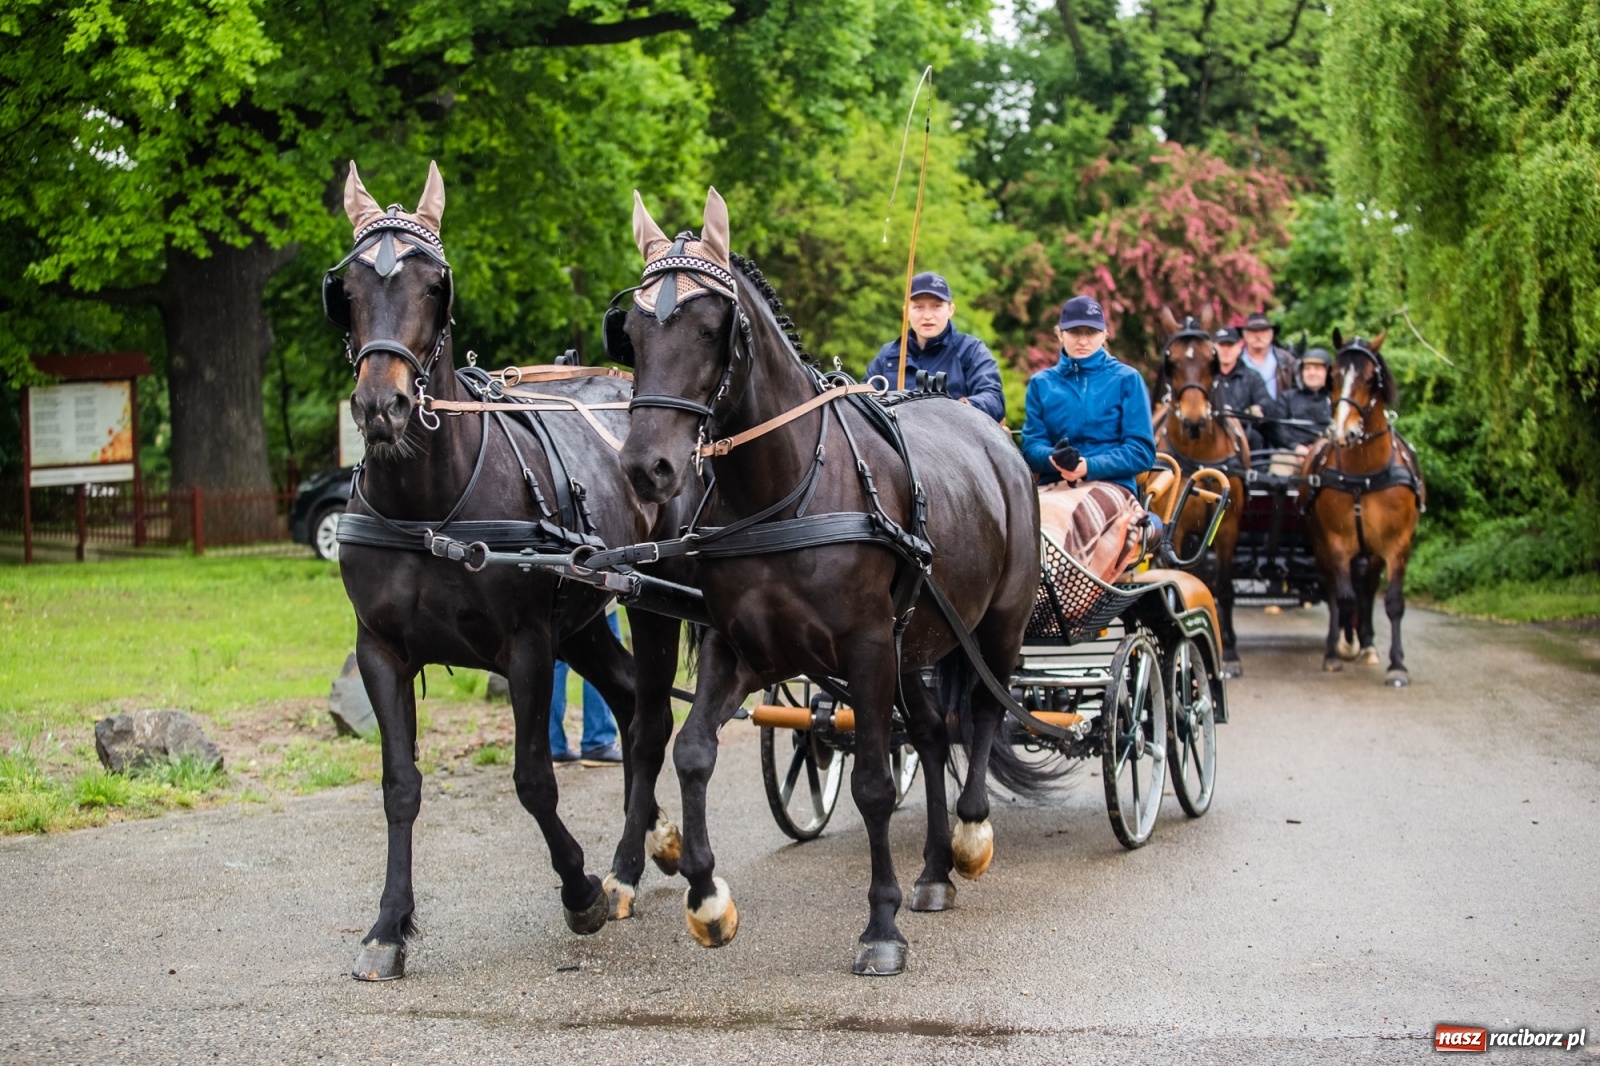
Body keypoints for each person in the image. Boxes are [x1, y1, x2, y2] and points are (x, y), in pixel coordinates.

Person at [1020, 295, 1157, 581]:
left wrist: (1087, 466)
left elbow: (1142, 451)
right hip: (1053, 486)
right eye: (1074, 332)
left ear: (1105, 334)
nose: (1083, 340)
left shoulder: (1127, 380)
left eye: (1091, 332)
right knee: (1020, 519)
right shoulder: (1041, 384)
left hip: (1112, 487)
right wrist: (1053, 459)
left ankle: (1056, 597)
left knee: (1063, 517)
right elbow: (1031, 447)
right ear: (1060, 334)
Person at [864, 271, 1005, 420]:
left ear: (951, 310)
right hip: (896, 441)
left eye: (936, 306)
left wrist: (958, 409)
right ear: (906, 312)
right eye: (918, 307)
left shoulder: (972, 350)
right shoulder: (888, 355)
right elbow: (863, 402)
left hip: (954, 438)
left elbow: (994, 399)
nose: (927, 315)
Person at [550, 609, 623, 766]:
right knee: (601, 655)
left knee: (554, 652)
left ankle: (550, 744)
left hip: (554, 596)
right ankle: (598, 740)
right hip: (592, 596)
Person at [1212, 325, 1272, 452]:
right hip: (1211, 432)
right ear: (1213, 348)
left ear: (1239, 348)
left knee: (1256, 439)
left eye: (1230, 345)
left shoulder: (1252, 377)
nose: (1226, 350)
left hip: (1244, 432)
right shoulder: (1205, 377)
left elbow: (1267, 403)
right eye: (1221, 345)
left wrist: (1259, 408)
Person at [1265, 346, 1333, 452]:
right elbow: (1278, 428)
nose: (1312, 373)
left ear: (1328, 372)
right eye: (1307, 368)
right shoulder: (1287, 397)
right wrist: (1295, 446)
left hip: (1328, 453)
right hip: (1291, 453)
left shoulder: (1335, 400)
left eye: (1318, 369)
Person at [1240, 311, 1301, 400]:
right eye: (1253, 331)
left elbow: (1298, 389)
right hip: (1242, 412)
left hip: (1280, 412)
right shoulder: (1235, 360)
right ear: (1244, 335)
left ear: (1271, 334)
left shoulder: (1287, 359)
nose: (1258, 336)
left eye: (1263, 331)